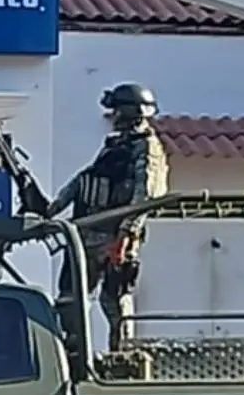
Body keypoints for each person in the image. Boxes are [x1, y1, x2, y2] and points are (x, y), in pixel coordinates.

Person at [45, 82, 169, 348]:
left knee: (114, 302)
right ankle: (73, 354)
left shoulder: (147, 148)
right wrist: (52, 208)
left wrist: (126, 235)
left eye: (116, 111)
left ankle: (121, 359)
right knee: (71, 299)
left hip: (115, 237)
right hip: (87, 233)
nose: (112, 117)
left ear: (128, 113)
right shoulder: (114, 146)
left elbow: (146, 195)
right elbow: (86, 179)